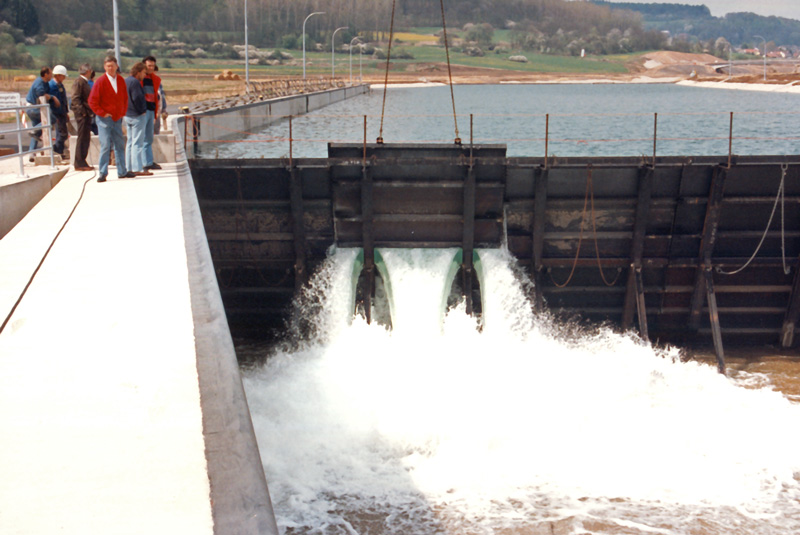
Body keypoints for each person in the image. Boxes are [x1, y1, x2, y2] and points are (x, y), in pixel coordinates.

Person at [88, 56, 134, 182]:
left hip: (117, 118)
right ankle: (102, 173)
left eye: (112, 65)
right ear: (104, 67)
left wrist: (122, 112)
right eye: (108, 66)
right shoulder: (100, 81)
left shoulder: (120, 80)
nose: (110, 68)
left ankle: (122, 171)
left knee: (119, 145)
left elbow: (125, 97)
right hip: (104, 120)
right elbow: (92, 101)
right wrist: (102, 113)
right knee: (105, 145)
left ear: (116, 66)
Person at [124, 62, 151, 177]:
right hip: (136, 116)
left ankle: (128, 167)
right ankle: (137, 168)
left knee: (130, 142)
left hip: (127, 115)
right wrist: (142, 110)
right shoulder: (135, 82)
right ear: (138, 72)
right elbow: (137, 98)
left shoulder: (126, 81)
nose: (145, 75)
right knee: (137, 143)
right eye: (144, 72)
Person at [25, 66, 58, 154]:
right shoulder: (39, 82)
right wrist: (53, 97)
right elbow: (41, 94)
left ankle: (31, 152)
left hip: (35, 108)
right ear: (46, 74)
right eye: (50, 73)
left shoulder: (45, 83)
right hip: (33, 107)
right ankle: (34, 130)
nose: (51, 75)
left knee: (36, 134)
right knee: (51, 119)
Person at [70, 63, 94, 171]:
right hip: (82, 115)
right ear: (88, 71)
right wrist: (82, 112)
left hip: (86, 113)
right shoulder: (79, 82)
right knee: (82, 137)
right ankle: (79, 162)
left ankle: (82, 160)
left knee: (86, 137)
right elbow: (75, 98)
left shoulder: (83, 82)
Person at [141, 55, 162, 170]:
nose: (151, 68)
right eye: (149, 66)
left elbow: (155, 96)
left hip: (150, 111)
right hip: (142, 112)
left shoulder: (155, 79)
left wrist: (156, 112)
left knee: (149, 137)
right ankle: (143, 163)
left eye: (153, 66)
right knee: (142, 138)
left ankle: (148, 162)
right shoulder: (139, 79)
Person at [48, 65, 69, 157]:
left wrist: (66, 112)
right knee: (61, 133)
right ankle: (57, 151)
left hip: (62, 112)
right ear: (58, 75)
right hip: (56, 113)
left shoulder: (60, 85)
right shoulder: (51, 86)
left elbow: (63, 100)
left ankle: (58, 150)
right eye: (63, 76)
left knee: (63, 133)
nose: (64, 78)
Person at [153, 64, 168, 135]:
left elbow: (162, 96)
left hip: (157, 110)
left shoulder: (158, 82)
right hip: (149, 111)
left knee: (156, 129)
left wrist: (164, 109)